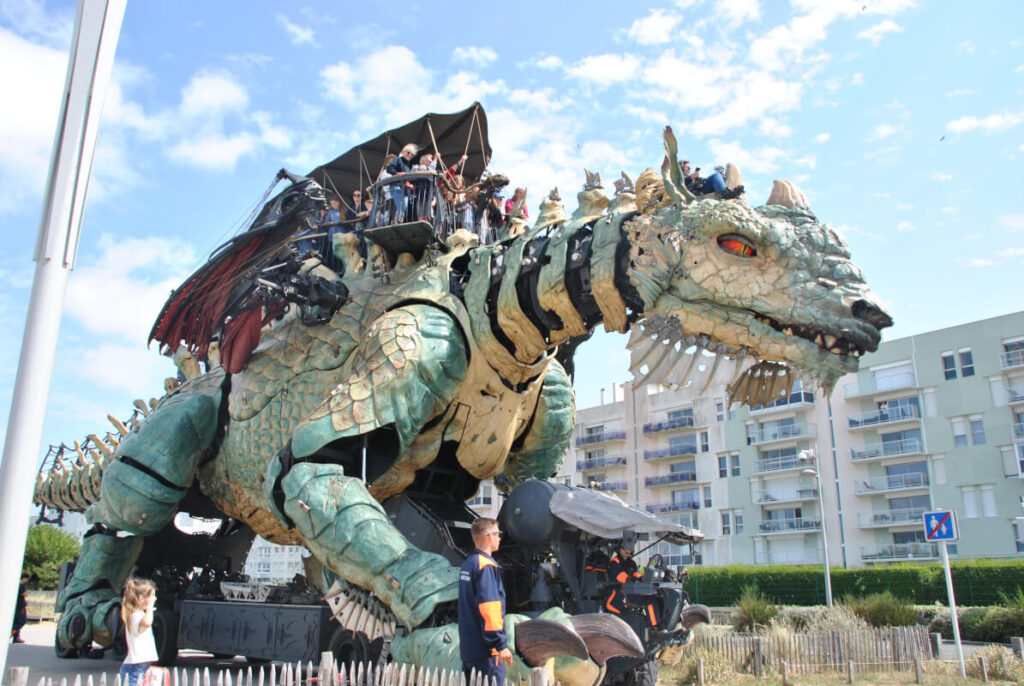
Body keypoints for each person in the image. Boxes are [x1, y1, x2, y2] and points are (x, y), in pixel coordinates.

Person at [458, 518, 513, 684]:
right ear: (489, 536)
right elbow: (489, 608)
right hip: (487, 653)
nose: (499, 538)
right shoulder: (486, 566)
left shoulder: (468, 564)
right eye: (498, 534)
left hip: (469, 649)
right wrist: (500, 645)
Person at [119, 578, 158, 686]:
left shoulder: (138, 614)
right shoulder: (136, 615)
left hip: (137, 665)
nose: (155, 598)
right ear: (141, 598)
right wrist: (150, 608)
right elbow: (147, 622)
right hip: (135, 666)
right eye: (152, 596)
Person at [604, 541, 642, 615]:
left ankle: (655, 625)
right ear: (619, 549)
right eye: (624, 548)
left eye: (629, 548)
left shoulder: (632, 562)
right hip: (617, 596)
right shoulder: (614, 563)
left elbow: (638, 576)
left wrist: (642, 579)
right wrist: (633, 578)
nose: (626, 551)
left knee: (650, 599)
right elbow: (622, 578)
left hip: (630, 592)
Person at [10, 573, 28, 643]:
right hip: (20, 607)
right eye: (26, 579)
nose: (27, 581)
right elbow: (24, 594)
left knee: (16, 622)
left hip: (17, 606)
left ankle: (16, 637)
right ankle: (12, 633)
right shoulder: (20, 586)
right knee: (21, 622)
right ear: (23, 578)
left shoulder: (17, 585)